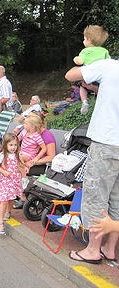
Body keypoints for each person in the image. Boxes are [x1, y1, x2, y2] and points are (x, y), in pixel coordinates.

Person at [65, 59, 119, 265]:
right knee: (117, 198)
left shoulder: (110, 66)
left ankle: (93, 249)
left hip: (106, 141)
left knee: (96, 196)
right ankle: (110, 248)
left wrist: (90, 63)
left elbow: (71, 75)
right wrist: (98, 88)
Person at [73, 25, 110, 115]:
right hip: (100, 77)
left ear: (88, 39)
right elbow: (109, 61)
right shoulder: (104, 51)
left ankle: (85, 101)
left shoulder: (85, 51)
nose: (83, 41)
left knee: (82, 87)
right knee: (100, 91)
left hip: (89, 75)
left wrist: (75, 58)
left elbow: (80, 61)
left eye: (84, 39)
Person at [0, 133, 25, 235]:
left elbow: (20, 165)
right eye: (11, 145)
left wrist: (24, 169)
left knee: (11, 199)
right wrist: (3, 171)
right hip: (5, 180)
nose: (13, 147)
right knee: (3, 200)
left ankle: (8, 211)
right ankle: (0, 221)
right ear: (5, 145)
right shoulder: (2, 155)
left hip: (15, 181)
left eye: (15, 145)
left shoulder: (18, 155)